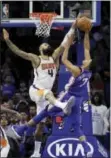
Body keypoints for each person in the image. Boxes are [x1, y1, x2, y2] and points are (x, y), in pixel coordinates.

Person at [12, 18, 93, 157]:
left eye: (85, 59)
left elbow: (64, 60)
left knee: (45, 113)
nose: (85, 58)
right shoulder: (88, 69)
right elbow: (86, 48)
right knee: (76, 125)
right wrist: (86, 33)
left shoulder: (76, 71)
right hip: (78, 100)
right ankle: (86, 148)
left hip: (68, 97)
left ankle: (21, 129)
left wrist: (67, 46)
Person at [3, 22, 75, 157]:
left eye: (47, 44)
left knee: (40, 125)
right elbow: (18, 52)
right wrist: (7, 40)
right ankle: (63, 105)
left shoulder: (54, 58)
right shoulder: (36, 59)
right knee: (48, 93)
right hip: (36, 91)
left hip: (45, 96)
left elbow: (64, 42)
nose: (45, 44)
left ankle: (35, 152)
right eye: (44, 44)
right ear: (41, 49)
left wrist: (73, 27)